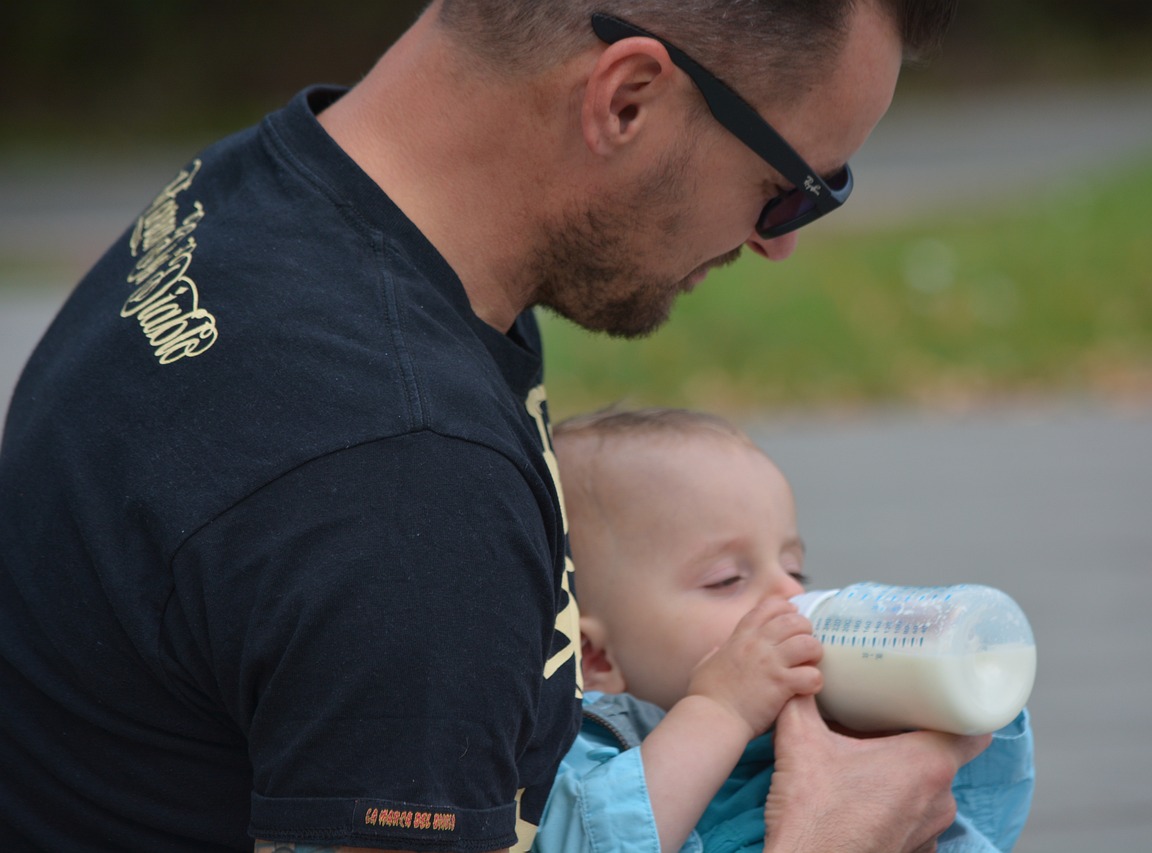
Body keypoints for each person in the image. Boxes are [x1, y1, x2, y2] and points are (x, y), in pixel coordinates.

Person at [0, 2, 977, 852]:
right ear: (626, 99)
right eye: (792, 184)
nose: (781, 241)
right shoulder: (403, 475)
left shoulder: (264, 192)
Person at [538, 407, 1034, 853]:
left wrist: (925, 702)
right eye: (727, 580)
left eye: (795, 570)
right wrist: (719, 711)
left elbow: (987, 818)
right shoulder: (584, 748)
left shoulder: (815, 714)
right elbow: (592, 841)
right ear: (594, 657)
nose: (789, 596)